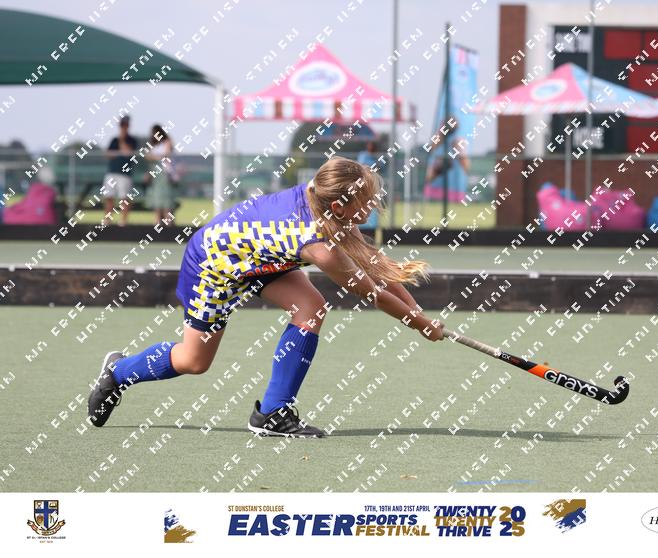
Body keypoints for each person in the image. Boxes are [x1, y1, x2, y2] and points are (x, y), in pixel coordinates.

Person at [87, 157, 445, 437]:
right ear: (338, 207)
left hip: (259, 256)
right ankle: (118, 372)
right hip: (214, 264)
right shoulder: (318, 244)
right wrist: (419, 325)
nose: (371, 207)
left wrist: (419, 313)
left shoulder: (322, 194)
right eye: (365, 202)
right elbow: (374, 293)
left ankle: (273, 412)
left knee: (311, 307)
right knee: (193, 361)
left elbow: (374, 264)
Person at [102, 115, 137, 226]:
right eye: (122, 125)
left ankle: (123, 222)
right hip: (112, 172)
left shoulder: (132, 140)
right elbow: (108, 154)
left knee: (124, 198)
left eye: (125, 125)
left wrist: (122, 140)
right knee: (109, 196)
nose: (123, 128)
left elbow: (127, 153)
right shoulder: (114, 140)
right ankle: (107, 220)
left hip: (124, 174)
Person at [145, 124, 178, 224]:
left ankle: (169, 225)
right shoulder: (153, 145)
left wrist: (154, 157)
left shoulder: (167, 142)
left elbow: (165, 155)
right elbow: (148, 156)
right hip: (156, 177)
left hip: (165, 175)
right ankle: (158, 224)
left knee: (167, 203)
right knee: (157, 203)